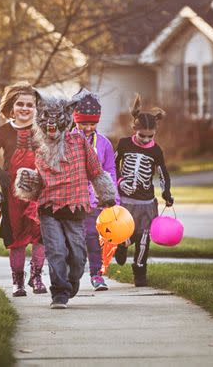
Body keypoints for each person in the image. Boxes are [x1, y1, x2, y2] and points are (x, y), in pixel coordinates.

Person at [13, 91, 117, 309]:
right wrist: (28, 182)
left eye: (56, 122)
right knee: (56, 251)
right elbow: (40, 179)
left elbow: (96, 171)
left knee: (78, 257)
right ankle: (59, 293)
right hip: (49, 208)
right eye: (46, 122)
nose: (51, 128)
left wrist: (107, 196)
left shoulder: (79, 142)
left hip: (76, 207)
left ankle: (71, 282)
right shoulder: (39, 146)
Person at [0, 81, 46, 297]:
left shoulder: (42, 129)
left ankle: (36, 277)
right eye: (20, 104)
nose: (25, 109)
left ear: (36, 107)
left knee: (41, 236)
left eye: (30, 105)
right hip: (12, 194)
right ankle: (18, 281)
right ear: (12, 106)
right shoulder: (3, 132)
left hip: (39, 192)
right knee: (15, 239)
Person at [114, 95, 174, 287]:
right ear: (134, 129)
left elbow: (163, 173)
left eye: (150, 136)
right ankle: (121, 246)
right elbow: (112, 165)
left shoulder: (156, 151)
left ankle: (140, 271)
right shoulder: (124, 144)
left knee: (143, 238)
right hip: (125, 200)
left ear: (155, 133)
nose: (146, 139)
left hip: (146, 203)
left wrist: (166, 194)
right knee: (125, 233)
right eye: (142, 136)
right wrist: (119, 181)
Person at [72, 91, 119, 291]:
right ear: (75, 120)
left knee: (93, 239)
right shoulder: (68, 140)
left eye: (92, 123)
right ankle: (72, 276)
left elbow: (110, 171)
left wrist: (112, 197)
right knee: (74, 243)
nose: (88, 128)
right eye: (83, 123)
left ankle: (96, 275)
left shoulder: (104, 143)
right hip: (73, 200)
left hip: (95, 202)